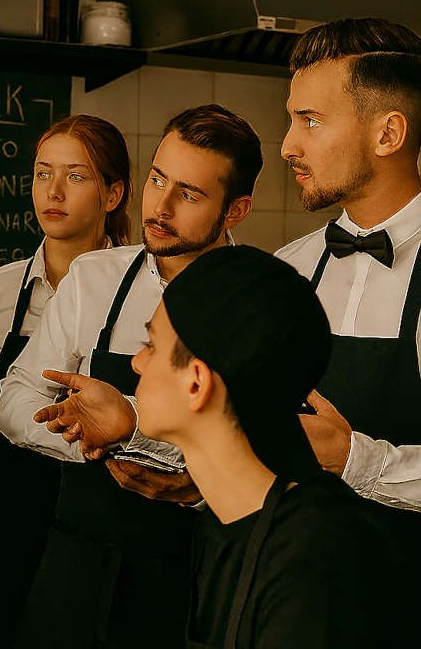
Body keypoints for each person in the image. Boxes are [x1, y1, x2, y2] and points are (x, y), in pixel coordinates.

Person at [0, 104, 261, 648]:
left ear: (236, 211)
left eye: (188, 194)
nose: (159, 207)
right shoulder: (93, 279)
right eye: (157, 180)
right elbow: (15, 399)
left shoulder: (262, 302)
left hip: (195, 569)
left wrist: (141, 439)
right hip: (75, 560)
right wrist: (87, 438)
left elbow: (263, 452)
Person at [131, 245, 407, 648]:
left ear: (196, 383)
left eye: (151, 345)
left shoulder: (317, 557)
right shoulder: (220, 524)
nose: (137, 362)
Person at [0, 115, 132, 648]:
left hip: (102, 524)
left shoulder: (142, 294)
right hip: (3, 524)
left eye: (76, 176)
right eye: (42, 174)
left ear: (113, 194)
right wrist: (10, 499)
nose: (53, 192)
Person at [276, 18, 421, 588]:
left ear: (388, 135)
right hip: (291, 595)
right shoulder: (287, 270)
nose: (288, 146)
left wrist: (353, 458)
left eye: (310, 121)